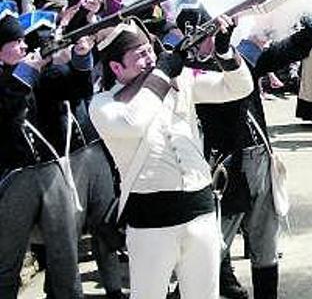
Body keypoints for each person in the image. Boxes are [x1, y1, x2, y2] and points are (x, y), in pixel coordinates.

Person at [89, 16, 253, 299]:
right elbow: (135, 121)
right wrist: (163, 73)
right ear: (116, 67)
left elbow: (239, 88)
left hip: (200, 207)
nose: (150, 58)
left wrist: (224, 51)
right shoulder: (103, 104)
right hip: (151, 218)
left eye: (149, 51)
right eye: (139, 56)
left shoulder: (179, 81)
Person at [183, 0, 312, 299]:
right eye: (205, 35)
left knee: (265, 243)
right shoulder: (188, 75)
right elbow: (228, 79)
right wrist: (229, 51)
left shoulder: (237, 60)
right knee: (210, 246)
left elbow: (285, 51)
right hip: (224, 168)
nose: (208, 41)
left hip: (260, 159)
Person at [0, 11, 92, 299]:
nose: (24, 45)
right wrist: (26, 73)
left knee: (65, 258)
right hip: (13, 178)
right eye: (16, 41)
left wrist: (80, 57)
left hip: (51, 172)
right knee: (6, 260)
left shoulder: (42, 73)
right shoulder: (21, 76)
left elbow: (78, 89)